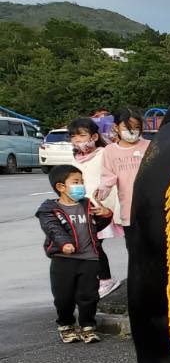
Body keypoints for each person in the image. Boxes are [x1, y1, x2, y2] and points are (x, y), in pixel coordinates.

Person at [37, 164, 112, 343]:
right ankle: (66, 325)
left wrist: (105, 214)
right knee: (64, 297)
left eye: (82, 181)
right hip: (63, 259)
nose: (81, 185)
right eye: (76, 182)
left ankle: (88, 326)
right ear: (61, 187)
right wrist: (64, 244)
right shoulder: (49, 209)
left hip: (89, 258)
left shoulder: (86, 204)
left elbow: (96, 226)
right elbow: (53, 229)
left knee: (89, 295)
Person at [67, 118, 119, 292]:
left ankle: (105, 280)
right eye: (74, 137)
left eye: (82, 135)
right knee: (90, 244)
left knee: (94, 244)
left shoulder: (104, 154)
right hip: (81, 208)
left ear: (94, 136)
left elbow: (111, 180)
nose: (78, 140)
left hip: (100, 208)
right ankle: (96, 279)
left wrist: (106, 206)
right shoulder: (75, 159)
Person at [93, 108, 148, 252]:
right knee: (134, 248)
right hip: (128, 208)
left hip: (151, 208)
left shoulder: (150, 146)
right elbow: (108, 176)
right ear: (116, 127)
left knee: (154, 248)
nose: (132, 131)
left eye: (137, 127)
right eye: (128, 127)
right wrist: (102, 191)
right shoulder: (110, 151)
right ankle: (136, 275)